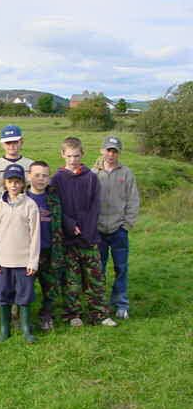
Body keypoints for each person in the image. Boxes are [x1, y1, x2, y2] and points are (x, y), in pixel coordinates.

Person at [50, 137, 117, 328]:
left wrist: (87, 230)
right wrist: (69, 225)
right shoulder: (57, 179)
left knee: (95, 277)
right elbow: (56, 207)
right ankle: (73, 314)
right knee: (71, 280)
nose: (73, 160)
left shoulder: (91, 177)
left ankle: (100, 314)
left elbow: (95, 206)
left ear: (83, 154)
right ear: (62, 154)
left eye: (76, 155)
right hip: (68, 239)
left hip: (89, 237)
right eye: (69, 156)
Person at [0, 124, 34, 305]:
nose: (12, 146)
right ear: (2, 144)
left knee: (21, 253)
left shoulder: (29, 165)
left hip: (23, 218)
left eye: (15, 142)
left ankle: (20, 293)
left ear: (21, 142)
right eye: (8, 143)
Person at [0, 164, 40, 343]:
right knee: (4, 294)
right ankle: (5, 329)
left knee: (24, 294)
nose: (14, 185)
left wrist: (33, 262)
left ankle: (25, 328)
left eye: (17, 182)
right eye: (10, 182)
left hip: (24, 260)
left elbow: (35, 236)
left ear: (23, 184)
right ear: (5, 183)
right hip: (3, 261)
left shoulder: (30, 205)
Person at [93, 136, 140, 320]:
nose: (111, 154)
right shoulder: (94, 173)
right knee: (99, 267)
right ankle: (100, 302)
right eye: (108, 150)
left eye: (114, 151)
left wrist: (126, 224)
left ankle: (121, 303)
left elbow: (133, 200)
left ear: (118, 153)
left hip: (118, 229)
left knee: (121, 267)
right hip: (99, 229)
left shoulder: (126, 173)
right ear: (101, 150)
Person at [26, 161, 65, 331]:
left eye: (44, 175)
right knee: (23, 287)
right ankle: (19, 317)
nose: (41, 179)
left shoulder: (54, 199)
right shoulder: (22, 198)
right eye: (37, 175)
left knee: (50, 288)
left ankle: (46, 315)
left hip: (49, 250)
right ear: (29, 176)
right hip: (26, 253)